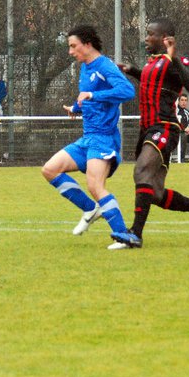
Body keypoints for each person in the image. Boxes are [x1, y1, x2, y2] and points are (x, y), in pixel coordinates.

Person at [112, 17, 189, 249]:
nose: (145, 39)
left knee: (142, 171)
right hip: (148, 129)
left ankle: (135, 234)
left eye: (150, 34)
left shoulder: (174, 61)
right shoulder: (154, 63)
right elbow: (151, 81)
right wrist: (132, 70)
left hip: (164, 127)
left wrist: (174, 57)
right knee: (154, 193)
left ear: (165, 39)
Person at [41, 25, 135, 244]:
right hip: (87, 137)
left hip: (104, 138)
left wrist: (93, 94)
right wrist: (76, 107)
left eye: (73, 46)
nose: (71, 51)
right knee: (50, 170)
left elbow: (128, 91)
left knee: (95, 186)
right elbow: (87, 97)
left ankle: (123, 236)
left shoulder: (104, 65)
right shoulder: (85, 67)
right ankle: (91, 210)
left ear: (88, 44)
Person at [176, 93, 189, 162]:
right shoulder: (174, 111)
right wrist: (184, 130)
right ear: (178, 101)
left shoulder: (187, 113)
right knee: (183, 136)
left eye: (185, 100)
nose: (184, 102)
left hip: (187, 133)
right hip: (176, 134)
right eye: (182, 100)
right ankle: (181, 159)